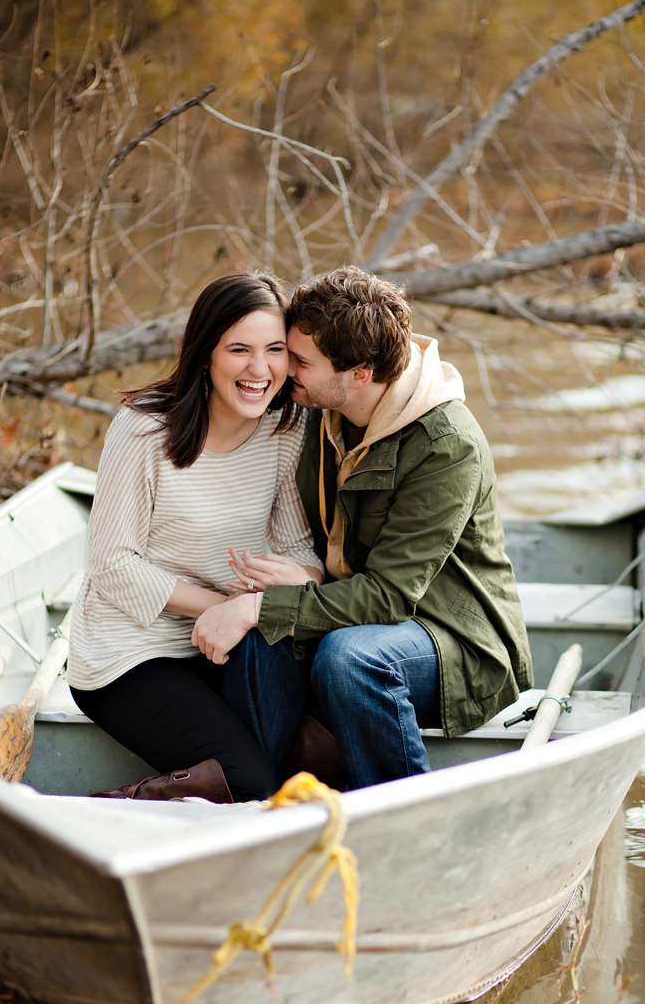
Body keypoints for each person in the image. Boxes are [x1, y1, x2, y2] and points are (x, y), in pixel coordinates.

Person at [191, 265, 533, 790]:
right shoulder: (316, 409)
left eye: (300, 361)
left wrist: (255, 605)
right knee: (263, 640)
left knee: (348, 660)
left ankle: (394, 817)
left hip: (451, 638)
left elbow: (390, 597)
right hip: (352, 605)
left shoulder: (446, 445)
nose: (286, 371)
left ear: (360, 374)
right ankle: (258, 800)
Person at [67, 272, 323, 803]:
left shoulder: (289, 428)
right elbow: (113, 565)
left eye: (275, 350)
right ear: (205, 352)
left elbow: (298, 548)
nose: (260, 369)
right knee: (252, 784)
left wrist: (301, 577)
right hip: (131, 653)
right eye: (239, 350)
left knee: (315, 760)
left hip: (229, 647)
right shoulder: (144, 430)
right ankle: (109, 809)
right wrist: (223, 606)